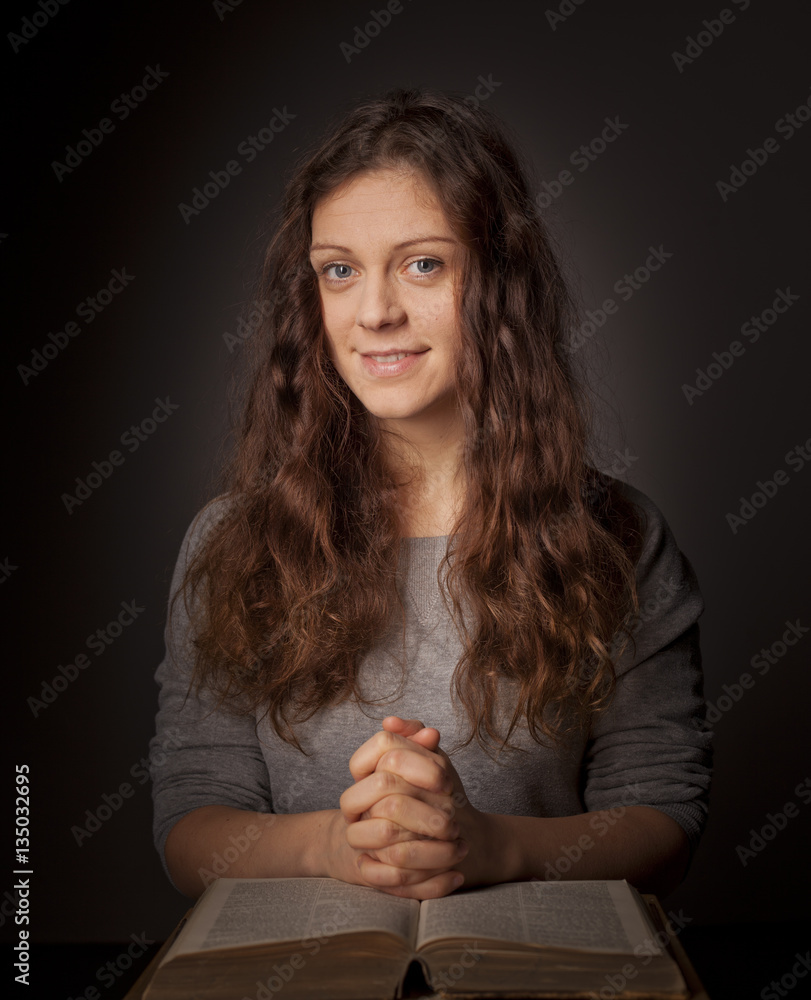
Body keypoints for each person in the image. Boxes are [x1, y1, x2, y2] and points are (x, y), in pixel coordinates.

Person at [149, 88, 712, 902]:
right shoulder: (229, 541)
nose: (374, 312)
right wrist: (331, 848)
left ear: (497, 285)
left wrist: (493, 849)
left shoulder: (617, 536)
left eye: (422, 264)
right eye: (338, 271)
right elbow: (190, 827)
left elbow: (663, 816)